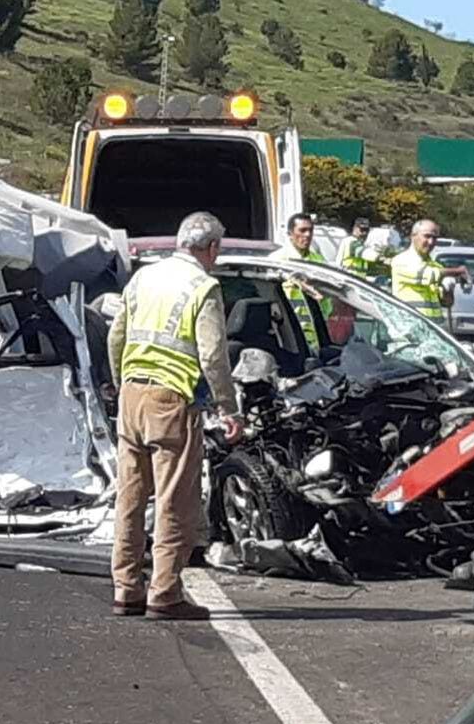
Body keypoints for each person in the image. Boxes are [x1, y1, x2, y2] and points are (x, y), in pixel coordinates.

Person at [108, 211, 242, 621]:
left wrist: (122, 385)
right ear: (212, 248)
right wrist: (228, 407)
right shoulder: (204, 287)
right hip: (171, 400)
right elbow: (214, 355)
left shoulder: (144, 277)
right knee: (174, 500)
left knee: (130, 498)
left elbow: (117, 335)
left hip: (132, 394)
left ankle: (126, 588)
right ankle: (164, 592)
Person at [269, 212, 331, 353]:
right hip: (291, 333)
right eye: (302, 230)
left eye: (310, 230)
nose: (308, 235)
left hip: (318, 331)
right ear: (290, 234)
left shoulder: (318, 260)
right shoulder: (278, 260)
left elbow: (327, 296)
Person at [391, 219, 467, 327]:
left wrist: (448, 289)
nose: (431, 242)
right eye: (427, 236)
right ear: (413, 236)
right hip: (408, 330)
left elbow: (447, 303)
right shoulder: (401, 261)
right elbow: (429, 275)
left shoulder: (436, 266)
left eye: (435, 238)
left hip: (433, 331)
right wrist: (458, 271)